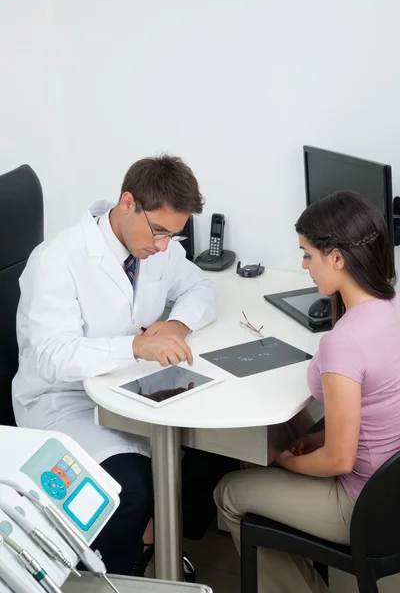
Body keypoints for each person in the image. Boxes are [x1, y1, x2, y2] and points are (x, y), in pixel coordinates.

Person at [12, 154, 238, 576]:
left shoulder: (155, 247)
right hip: (66, 402)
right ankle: (115, 575)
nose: (164, 246)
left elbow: (201, 286)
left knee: (222, 447)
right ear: (128, 202)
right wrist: (135, 347)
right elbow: (51, 356)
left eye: (173, 235)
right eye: (159, 232)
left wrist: (175, 325)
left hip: (131, 388)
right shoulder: (58, 260)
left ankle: (153, 540)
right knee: (128, 492)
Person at [215, 190, 400, 593]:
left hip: (360, 506)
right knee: (281, 449)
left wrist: (285, 463)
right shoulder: (393, 307)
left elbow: (338, 459)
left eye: (307, 255)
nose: (304, 266)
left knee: (229, 491)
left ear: (336, 257)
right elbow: (377, 410)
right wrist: (310, 439)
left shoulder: (346, 343)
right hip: (391, 490)